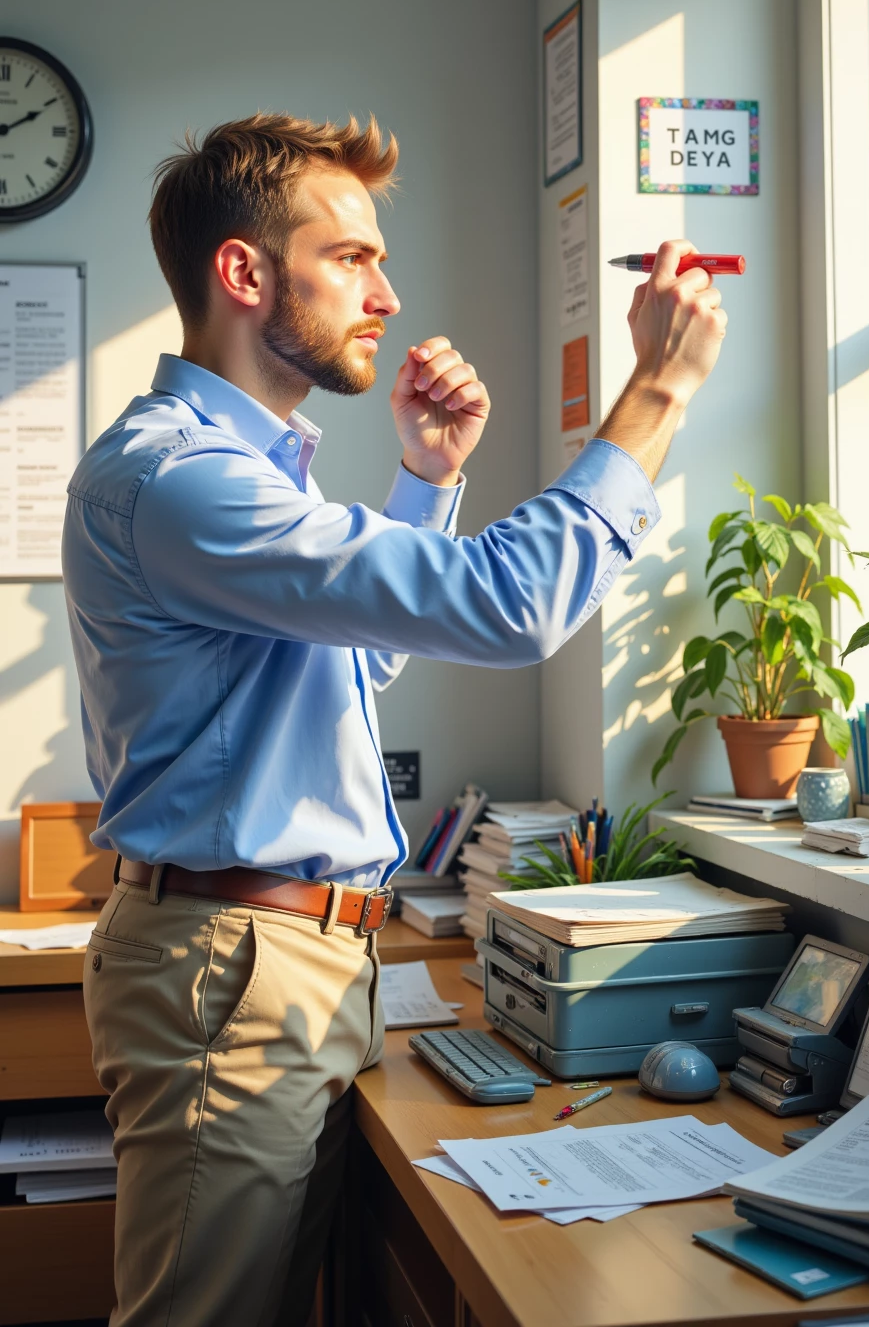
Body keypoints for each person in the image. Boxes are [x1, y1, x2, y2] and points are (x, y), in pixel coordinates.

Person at [62, 112, 726, 1327]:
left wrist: (424, 481)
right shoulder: (183, 480)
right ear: (246, 272)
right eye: (352, 257)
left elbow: (353, 666)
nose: (386, 289)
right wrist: (657, 391)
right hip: (237, 971)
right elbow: (507, 603)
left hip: (297, 964)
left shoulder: (249, 474)